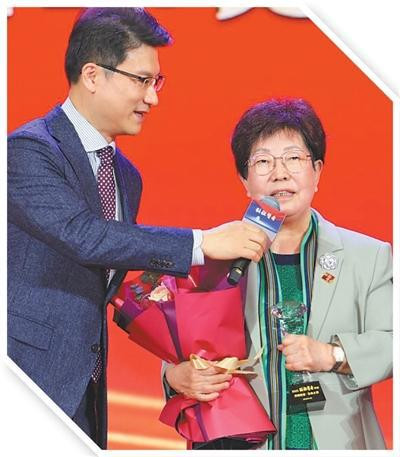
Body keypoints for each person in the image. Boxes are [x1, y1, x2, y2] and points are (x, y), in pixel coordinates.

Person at [7, 8, 268, 449]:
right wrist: (202, 243)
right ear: (93, 75)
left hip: (86, 388)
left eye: (156, 82)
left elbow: (109, 270)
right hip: (26, 375)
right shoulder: (28, 151)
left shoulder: (126, 175)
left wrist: (183, 336)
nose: (152, 98)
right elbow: (85, 236)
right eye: (142, 80)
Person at [164, 98, 393, 449]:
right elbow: (178, 347)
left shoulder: (368, 256)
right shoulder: (214, 255)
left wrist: (332, 355)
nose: (280, 173)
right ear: (244, 180)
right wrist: (175, 376)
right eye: (263, 161)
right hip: (236, 440)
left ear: (317, 171)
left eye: (293, 158)